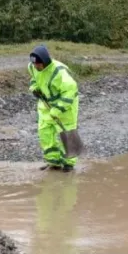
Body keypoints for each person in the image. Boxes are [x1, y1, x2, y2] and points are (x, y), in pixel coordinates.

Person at [28, 44, 79, 172]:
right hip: (45, 104)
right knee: (45, 132)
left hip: (66, 106)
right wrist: (34, 88)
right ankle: (53, 161)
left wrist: (57, 110)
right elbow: (34, 79)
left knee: (67, 133)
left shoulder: (59, 72)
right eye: (34, 64)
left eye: (38, 64)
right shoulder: (32, 67)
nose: (36, 67)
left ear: (45, 61)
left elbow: (70, 91)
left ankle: (69, 164)